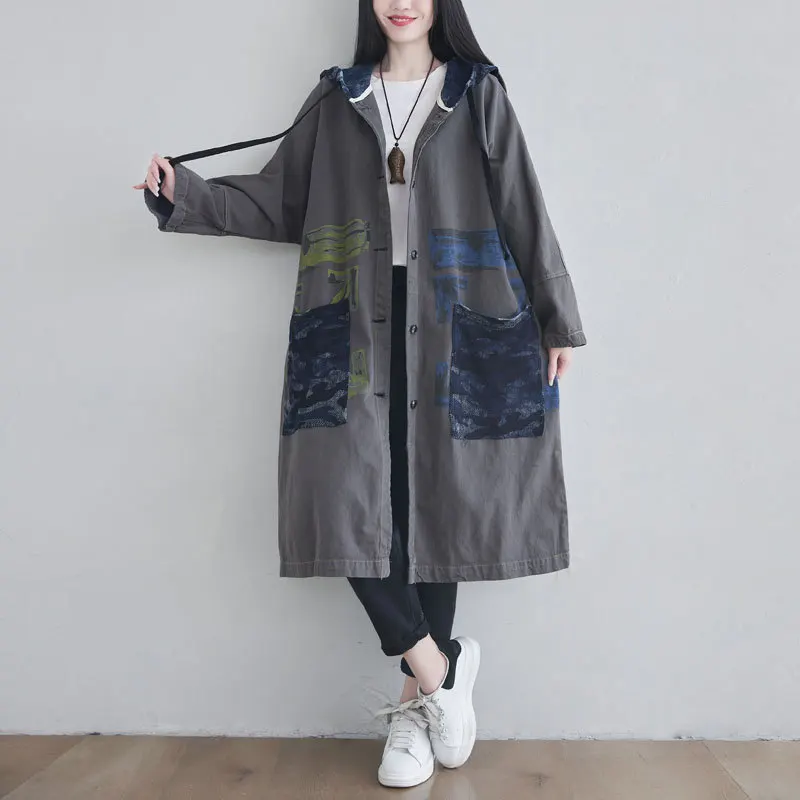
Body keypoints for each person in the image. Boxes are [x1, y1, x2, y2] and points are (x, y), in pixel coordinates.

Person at [133, 0, 587, 789]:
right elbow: (280, 200)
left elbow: (523, 206)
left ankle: (415, 711)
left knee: (438, 504)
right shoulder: (336, 97)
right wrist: (187, 196)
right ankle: (441, 675)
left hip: (454, 316)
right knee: (340, 496)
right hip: (351, 319)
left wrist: (557, 319)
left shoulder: (475, 92)